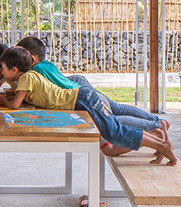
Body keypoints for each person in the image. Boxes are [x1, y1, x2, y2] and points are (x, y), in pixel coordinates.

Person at [0, 47, 176, 165]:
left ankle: (162, 144)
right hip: (81, 97)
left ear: (14, 70)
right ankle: (158, 141)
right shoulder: (28, 78)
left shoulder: (27, 77)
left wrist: (0, 99)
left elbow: (14, 106)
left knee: (114, 133)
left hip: (82, 99)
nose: (2, 73)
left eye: (3, 68)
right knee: (115, 128)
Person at [15, 35, 169, 134]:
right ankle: (156, 120)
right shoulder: (46, 64)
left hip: (80, 95)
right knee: (117, 108)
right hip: (81, 87)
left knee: (111, 119)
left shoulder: (35, 72)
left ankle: (154, 126)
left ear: (32, 59)